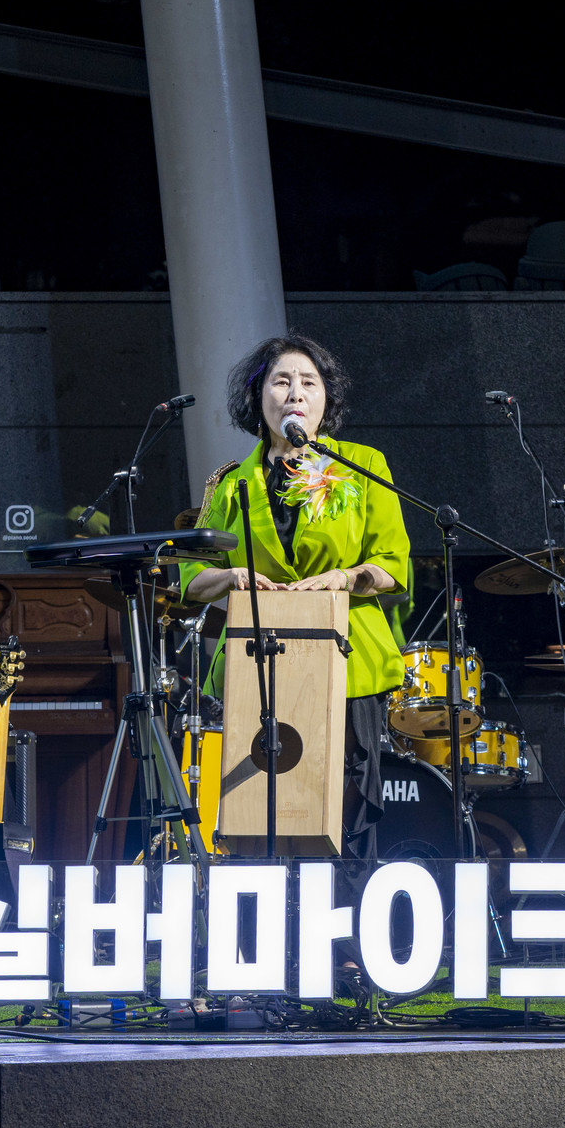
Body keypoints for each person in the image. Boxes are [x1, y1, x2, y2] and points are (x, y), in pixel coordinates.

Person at [178, 334, 411, 858]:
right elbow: (190, 577)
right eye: (281, 381)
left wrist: (344, 578)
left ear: (327, 398)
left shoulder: (363, 466)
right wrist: (231, 576)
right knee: (259, 802)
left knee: (345, 811)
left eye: (309, 382)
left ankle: (346, 905)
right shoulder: (230, 482)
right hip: (256, 662)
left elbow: (393, 565)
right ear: (258, 396)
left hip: (349, 659)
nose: (295, 393)